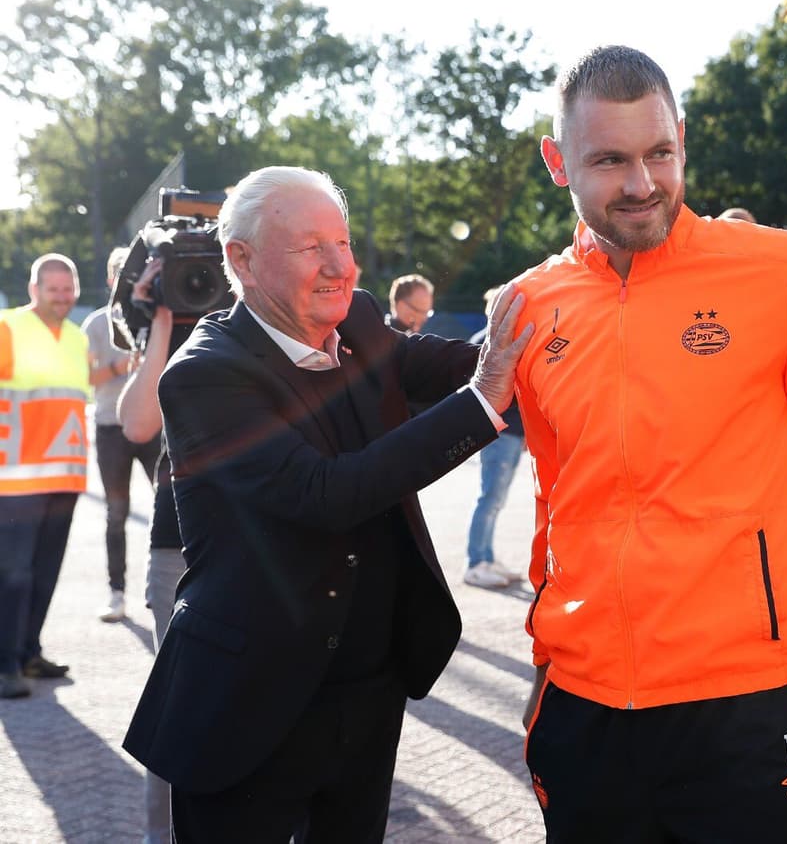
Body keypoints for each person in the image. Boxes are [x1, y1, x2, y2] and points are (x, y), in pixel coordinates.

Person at [512, 46, 787, 843]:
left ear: (682, 139)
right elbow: (554, 487)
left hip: (743, 707)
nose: (642, 183)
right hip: (583, 705)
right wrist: (547, 647)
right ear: (557, 162)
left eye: (660, 153)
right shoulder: (530, 305)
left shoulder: (780, 271)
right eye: (609, 160)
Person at [123, 165, 532, 841]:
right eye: (312, 247)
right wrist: (485, 400)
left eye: (342, 243)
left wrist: (552, 317)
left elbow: (448, 362)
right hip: (245, 705)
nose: (340, 266)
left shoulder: (363, 317)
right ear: (242, 261)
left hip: (367, 692)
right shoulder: (203, 376)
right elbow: (325, 493)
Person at [116, 254, 193, 843]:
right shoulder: (157, 327)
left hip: (271, 539)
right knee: (179, 700)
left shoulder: (276, 313)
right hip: (180, 541)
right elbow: (139, 426)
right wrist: (161, 317)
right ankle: (161, 836)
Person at [0, 253, 91, 698]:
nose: (62, 297)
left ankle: (29, 653)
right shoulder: (8, 328)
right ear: (34, 290)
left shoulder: (76, 337)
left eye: (68, 288)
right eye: (53, 289)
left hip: (64, 478)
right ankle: (4, 665)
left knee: (44, 573)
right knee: (12, 574)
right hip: (14, 478)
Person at [80, 246, 162, 623]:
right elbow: (87, 378)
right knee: (116, 513)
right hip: (112, 428)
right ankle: (117, 593)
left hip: (155, 426)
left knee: (169, 507)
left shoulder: (159, 316)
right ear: (113, 278)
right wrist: (125, 363)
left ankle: (167, 587)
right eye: (122, 271)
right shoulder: (96, 324)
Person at [462, 286, 527, 589]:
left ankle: (486, 556)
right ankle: (476, 563)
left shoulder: (509, 341)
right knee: (489, 497)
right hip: (498, 434)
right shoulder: (483, 343)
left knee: (496, 499)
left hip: (513, 434)